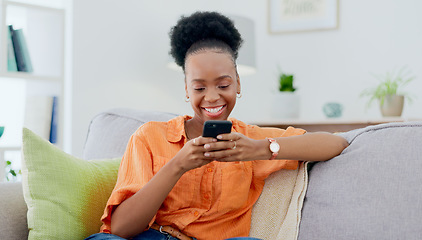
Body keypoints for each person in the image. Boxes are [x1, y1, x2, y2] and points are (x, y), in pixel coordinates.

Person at [85, 11, 348, 240]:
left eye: (223, 85)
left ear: (238, 85)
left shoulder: (249, 139)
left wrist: (259, 149)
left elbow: (336, 143)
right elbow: (120, 229)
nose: (212, 97)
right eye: (200, 87)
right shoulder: (150, 136)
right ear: (187, 90)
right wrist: (178, 165)